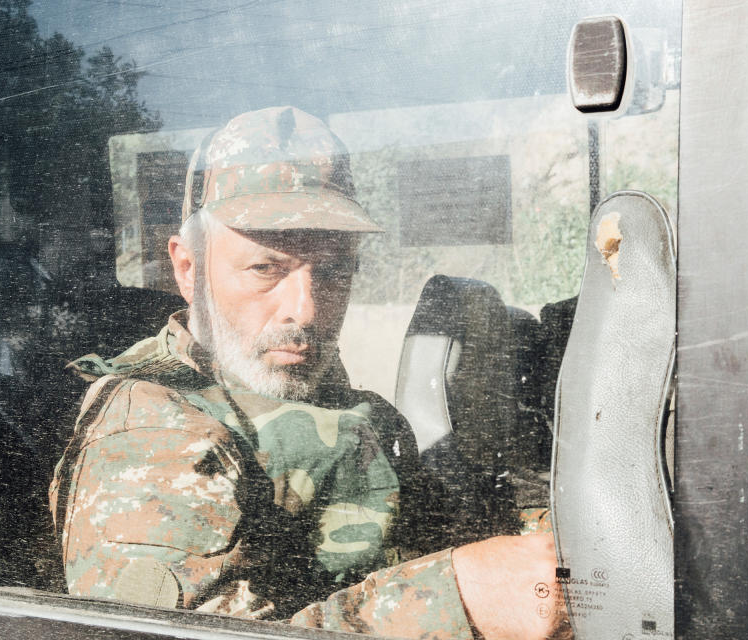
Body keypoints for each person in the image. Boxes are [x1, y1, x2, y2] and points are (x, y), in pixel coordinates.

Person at [50, 106, 569, 639]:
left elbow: (446, 535)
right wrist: (457, 598)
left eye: (335, 271)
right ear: (189, 268)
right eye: (265, 269)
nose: (308, 310)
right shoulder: (154, 434)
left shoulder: (345, 408)